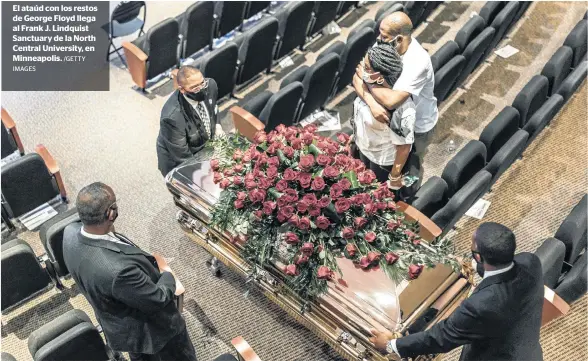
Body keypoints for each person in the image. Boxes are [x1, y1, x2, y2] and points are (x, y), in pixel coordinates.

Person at [369, 222, 544, 361]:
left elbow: (441, 337)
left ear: (478, 256)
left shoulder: (480, 306)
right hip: (527, 350)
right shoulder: (531, 262)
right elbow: (502, 271)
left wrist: (391, 345)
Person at [62, 182, 197, 361]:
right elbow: (157, 298)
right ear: (110, 213)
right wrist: (167, 275)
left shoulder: (69, 233)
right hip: (153, 335)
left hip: (117, 321)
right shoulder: (119, 271)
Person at [356, 12, 438, 184]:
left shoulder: (417, 62)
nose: (379, 38)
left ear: (399, 39)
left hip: (418, 125)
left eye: (384, 35)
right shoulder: (385, 43)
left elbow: (391, 101)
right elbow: (356, 76)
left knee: (410, 167)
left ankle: (408, 196)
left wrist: (368, 79)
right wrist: (371, 102)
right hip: (391, 125)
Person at [352, 42, 416, 190]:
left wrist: (394, 176)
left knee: (374, 193)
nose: (362, 69)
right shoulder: (368, 82)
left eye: (366, 68)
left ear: (380, 78)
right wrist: (371, 103)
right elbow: (357, 78)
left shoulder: (403, 109)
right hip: (363, 147)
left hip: (381, 160)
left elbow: (404, 147)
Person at [156, 65, 221, 177]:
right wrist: (206, 172)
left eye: (202, 83)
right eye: (195, 88)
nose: (202, 89)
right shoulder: (172, 118)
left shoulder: (210, 85)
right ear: (182, 89)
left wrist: (218, 126)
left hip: (203, 147)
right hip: (177, 161)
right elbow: (183, 158)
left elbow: (213, 107)